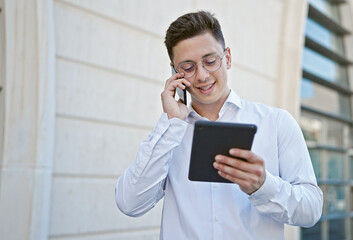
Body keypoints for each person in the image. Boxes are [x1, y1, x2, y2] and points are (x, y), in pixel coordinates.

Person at [115, 11, 323, 239]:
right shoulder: (170, 134)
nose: (202, 75)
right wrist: (171, 124)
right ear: (174, 72)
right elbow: (130, 203)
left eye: (210, 61)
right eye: (188, 67)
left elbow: (311, 210)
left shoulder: (277, 123)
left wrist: (263, 186)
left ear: (228, 57)